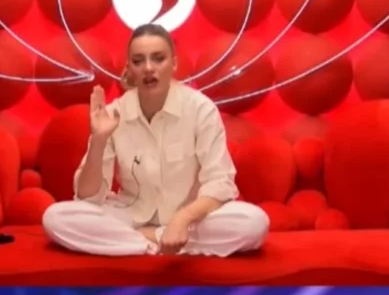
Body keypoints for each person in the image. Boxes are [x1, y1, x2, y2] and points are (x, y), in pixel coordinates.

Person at [42, 24, 270, 257]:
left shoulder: (201, 109)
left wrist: (183, 219)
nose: (148, 68)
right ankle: (156, 242)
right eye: (138, 61)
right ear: (129, 68)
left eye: (158, 58)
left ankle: (138, 243)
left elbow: (220, 183)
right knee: (55, 218)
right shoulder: (113, 114)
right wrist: (99, 140)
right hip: (130, 216)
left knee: (254, 223)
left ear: (174, 64)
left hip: (190, 219)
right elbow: (88, 196)